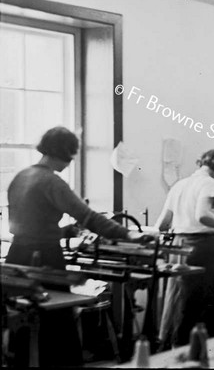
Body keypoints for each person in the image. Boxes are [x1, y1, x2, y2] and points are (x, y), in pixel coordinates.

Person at [6, 126, 155, 367]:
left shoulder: (21, 176)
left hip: (17, 255)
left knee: (24, 322)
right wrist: (129, 234)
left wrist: (63, 231)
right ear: (64, 152)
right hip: (43, 258)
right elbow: (89, 217)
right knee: (58, 323)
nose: (71, 161)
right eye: (71, 155)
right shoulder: (52, 181)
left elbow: (29, 221)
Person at [155, 149, 214, 346]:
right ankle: (201, 350)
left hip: (177, 247)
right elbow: (203, 215)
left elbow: (163, 224)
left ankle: (174, 347)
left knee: (180, 302)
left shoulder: (180, 184)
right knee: (205, 302)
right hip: (200, 248)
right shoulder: (209, 183)